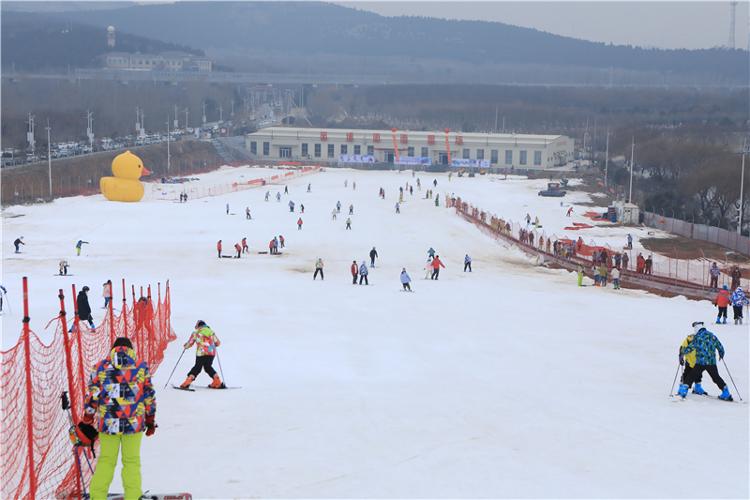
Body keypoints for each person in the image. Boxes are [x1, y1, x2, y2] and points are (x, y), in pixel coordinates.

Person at [82, 337, 156, 499]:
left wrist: (88, 415)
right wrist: (150, 420)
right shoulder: (141, 367)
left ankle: (97, 496)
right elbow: (149, 395)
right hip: (134, 424)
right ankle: (133, 496)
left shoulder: (100, 367)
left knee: (106, 461)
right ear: (131, 349)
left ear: (113, 349)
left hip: (109, 424)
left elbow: (93, 394)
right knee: (131, 462)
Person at [678, 321, 733, 401]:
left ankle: (683, 391)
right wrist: (721, 354)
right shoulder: (712, 335)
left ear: (697, 329)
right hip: (711, 362)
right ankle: (726, 392)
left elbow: (691, 347)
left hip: (700, 362)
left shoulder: (698, 337)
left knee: (691, 376)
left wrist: (683, 352)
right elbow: (719, 345)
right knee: (716, 377)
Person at [180, 320, 224, 389]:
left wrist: (186, 346)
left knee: (197, 367)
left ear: (199, 326)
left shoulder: (196, 333)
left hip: (201, 353)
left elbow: (190, 342)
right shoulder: (211, 332)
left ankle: (187, 382)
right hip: (211, 352)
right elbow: (218, 343)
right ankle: (217, 381)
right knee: (208, 367)